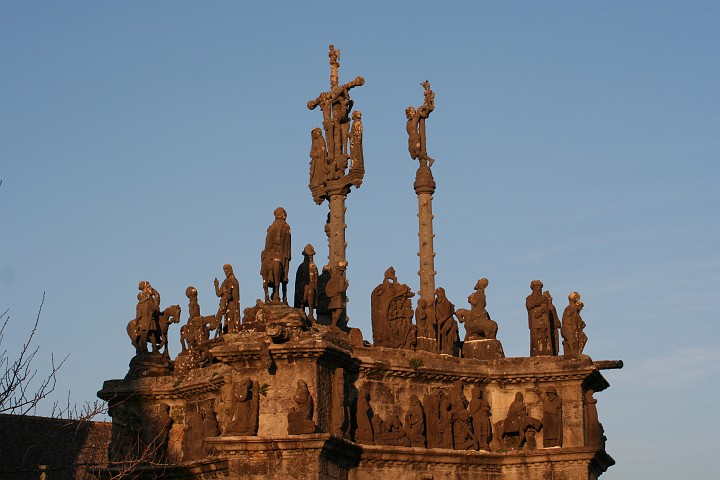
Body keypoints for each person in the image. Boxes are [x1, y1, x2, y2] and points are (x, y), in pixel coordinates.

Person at [262, 207, 292, 303]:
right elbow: (287, 245)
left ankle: (269, 296)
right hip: (283, 254)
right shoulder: (286, 227)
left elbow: (267, 244)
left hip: (270, 254)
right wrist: (287, 256)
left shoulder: (271, 227)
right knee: (284, 277)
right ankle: (283, 297)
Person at [215, 263, 240, 333]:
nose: (226, 272)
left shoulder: (233, 281)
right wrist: (216, 286)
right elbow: (219, 294)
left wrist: (225, 296)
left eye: (227, 270)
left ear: (231, 270)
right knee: (227, 320)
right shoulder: (225, 281)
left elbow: (231, 295)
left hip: (232, 305)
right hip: (226, 305)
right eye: (224, 270)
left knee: (231, 320)